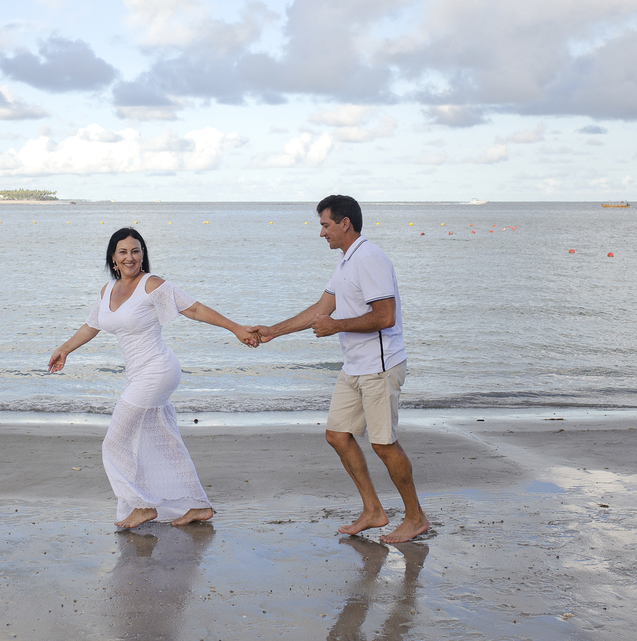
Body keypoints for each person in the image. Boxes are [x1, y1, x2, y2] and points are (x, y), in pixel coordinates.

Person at [50, 227, 258, 529]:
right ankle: (198, 505)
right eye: (123, 252)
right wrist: (64, 349)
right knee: (164, 442)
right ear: (113, 259)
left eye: (136, 251)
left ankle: (142, 505)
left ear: (143, 255)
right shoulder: (107, 291)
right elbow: (91, 325)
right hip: (137, 375)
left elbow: (195, 309)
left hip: (157, 371)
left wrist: (236, 328)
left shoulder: (152, 285)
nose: (130, 257)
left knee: (114, 443)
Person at [249, 195, 429, 544]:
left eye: (325, 225)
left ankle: (415, 517)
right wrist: (273, 331)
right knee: (337, 435)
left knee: (384, 445)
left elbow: (385, 316)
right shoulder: (347, 261)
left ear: (345, 223)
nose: (322, 233)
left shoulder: (370, 258)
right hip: (355, 367)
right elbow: (321, 308)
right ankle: (373, 510)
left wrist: (337, 326)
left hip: (379, 367)